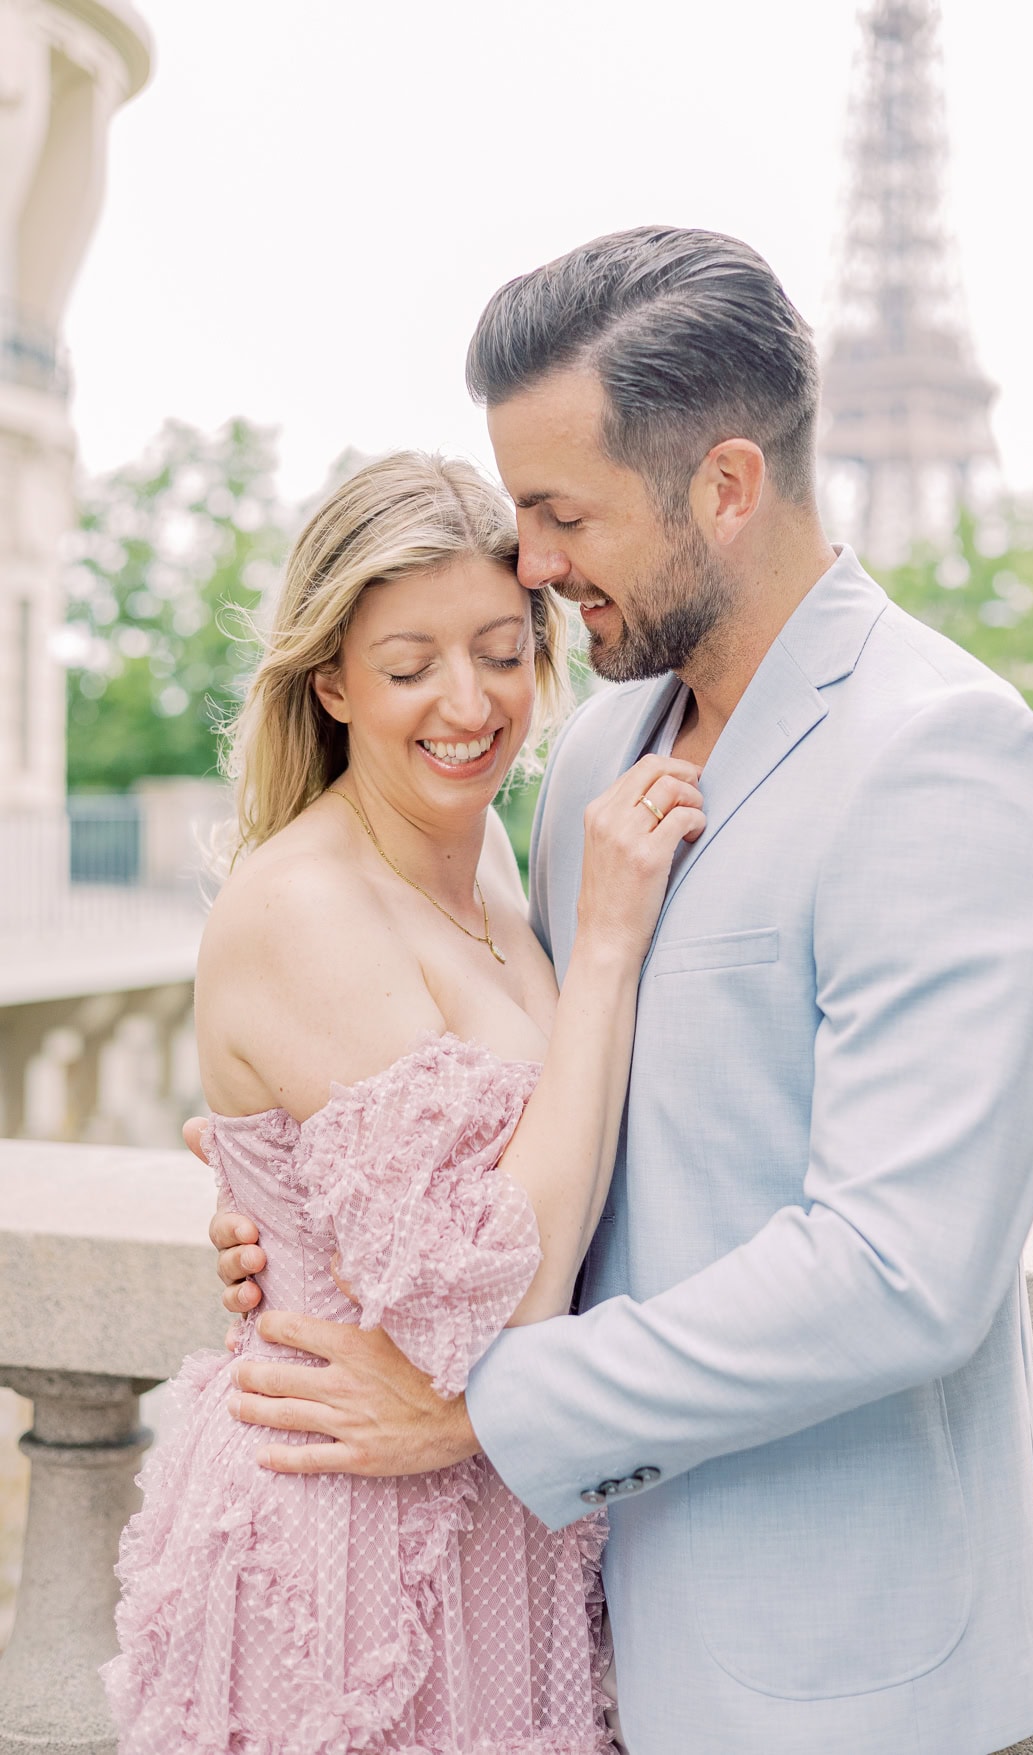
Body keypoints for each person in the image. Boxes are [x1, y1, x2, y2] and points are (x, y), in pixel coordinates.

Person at [208, 228, 1033, 1755]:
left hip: (841, 1656)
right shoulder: (590, 768)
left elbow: (898, 1266)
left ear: (726, 487)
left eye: (561, 515)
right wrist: (297, 1209)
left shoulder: (947, 757)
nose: (534, 568)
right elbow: (546, 1120)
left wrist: (489, 1411)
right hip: (580, 1634)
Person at [103, 449, 706, 1752]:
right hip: (344, 1546)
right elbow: (478, 1299)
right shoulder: (305, 903)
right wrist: (603, 950)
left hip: (500, 1521)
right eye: (407, 663)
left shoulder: (486, 848)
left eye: (500, 650)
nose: (467, 701)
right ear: (330, 682)